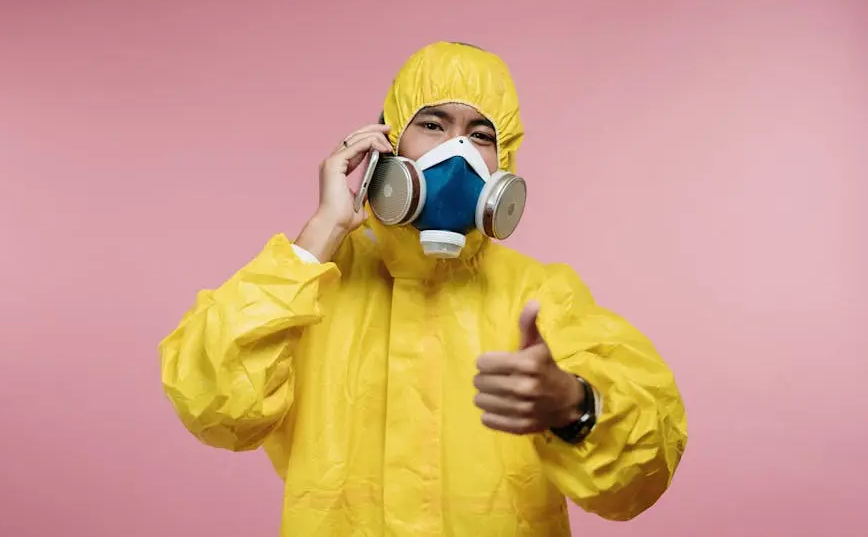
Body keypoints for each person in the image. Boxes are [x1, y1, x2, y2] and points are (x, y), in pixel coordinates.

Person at [159, 41, 688, 536]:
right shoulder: (313, 281)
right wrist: (320, 234)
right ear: (386, 143)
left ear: (504, 165)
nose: (456, 152)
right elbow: (213, 405)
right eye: (432, 124)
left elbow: (642, 476)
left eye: (481, 135)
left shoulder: (541, 293)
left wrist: (576, 407)